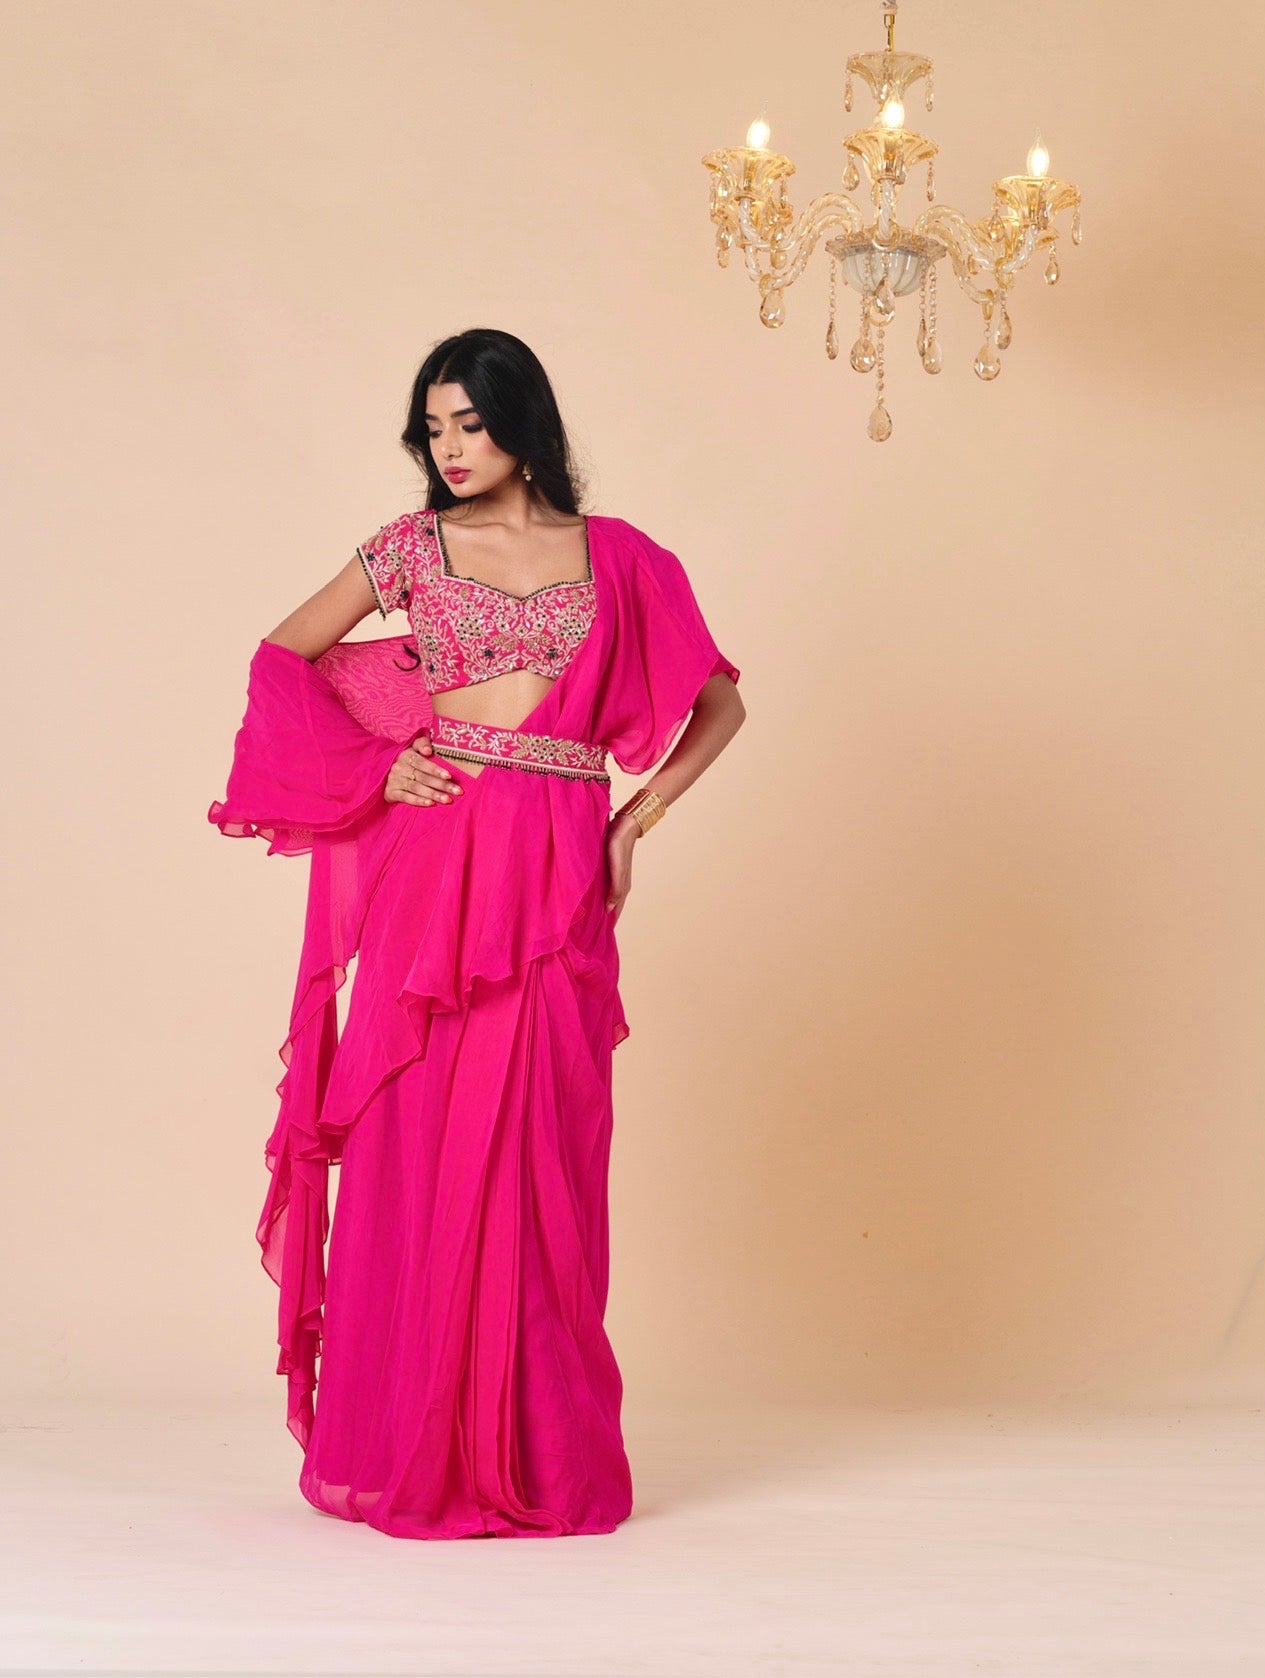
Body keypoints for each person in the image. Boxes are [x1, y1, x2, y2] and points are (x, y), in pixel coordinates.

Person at [206, 328, 745, 1539]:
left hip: (557, 870)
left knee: (546, 1155)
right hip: (437, 878)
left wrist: (634, 823)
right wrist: (380, 766)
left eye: (470, 423)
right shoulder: (408, 547)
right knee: (415, 1140)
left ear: (525, 423)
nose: (450, 449)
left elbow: (721, 701)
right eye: (433, 428)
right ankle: (411, 1448)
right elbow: (282, 658)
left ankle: (542, 1458)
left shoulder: (623, 559)